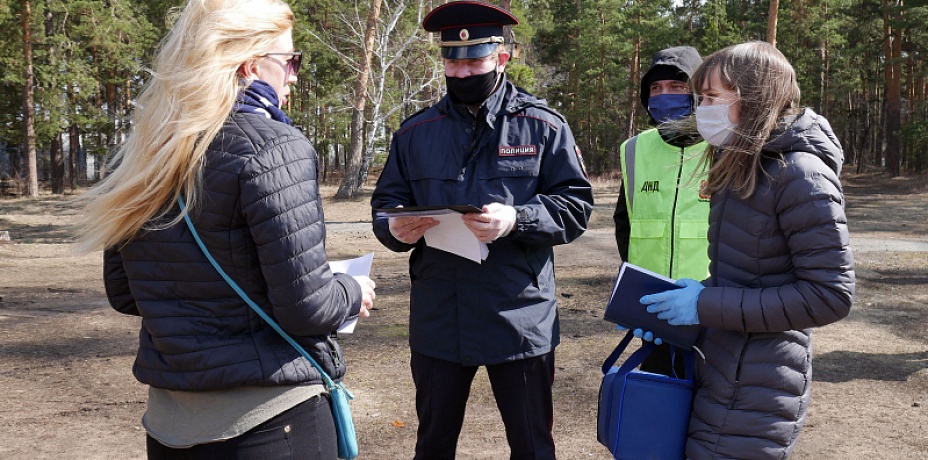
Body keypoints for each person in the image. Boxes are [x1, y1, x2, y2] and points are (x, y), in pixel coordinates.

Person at [76, 1, 375, 458]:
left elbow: (127, 291)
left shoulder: (149, 150)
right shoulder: (275, 147)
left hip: (170, 426)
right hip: (271, 420)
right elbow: (308, 310)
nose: (294, 74)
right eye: (290, 60)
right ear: (251, 64)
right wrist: (353, 289)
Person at [370, 2, 593, 459]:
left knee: (532, 446)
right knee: (433, 445)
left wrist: (518, 219)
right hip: (440, 318)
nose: (463, 70)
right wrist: (397, 228)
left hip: (519, 317)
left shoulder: (543, 125)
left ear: (502, 58)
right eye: (453, 60)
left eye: (475, 60)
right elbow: (384, 208)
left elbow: (576, 206)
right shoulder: (415, 133)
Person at [638, 41, 856, 459]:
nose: (700, 109)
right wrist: (679, 308)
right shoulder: (742, 163)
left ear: (753, 98)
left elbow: (830, 295)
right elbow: (748, 275)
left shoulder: (800, 176)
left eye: (711, 97)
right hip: (722, 366)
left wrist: (706, 304)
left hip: (761, 383)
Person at [612, 45, 710, 376]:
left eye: (676, 87)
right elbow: (625, 225)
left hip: (710, 312)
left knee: (710, 415)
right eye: (656, 88)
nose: (664, 96)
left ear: (698, 92)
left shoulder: (726, 148)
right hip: (652, 313)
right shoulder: (634, 150)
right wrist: (632, 296)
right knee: (658, 409)